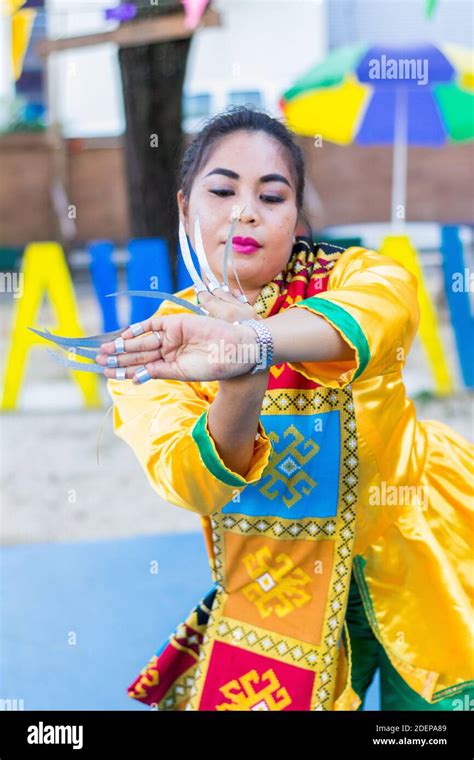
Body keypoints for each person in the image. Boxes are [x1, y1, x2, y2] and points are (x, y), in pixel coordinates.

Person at [97, 106, 473, 712]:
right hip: (278, 589)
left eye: (272, 197)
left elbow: (387, 311)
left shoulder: (356, 274)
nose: (245, 211)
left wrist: (253, 342)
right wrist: (241, 382)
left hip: (426, 550)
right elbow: (188, 480)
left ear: (297, 219)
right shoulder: (161, 344)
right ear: (183, 207)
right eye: (222, 190)